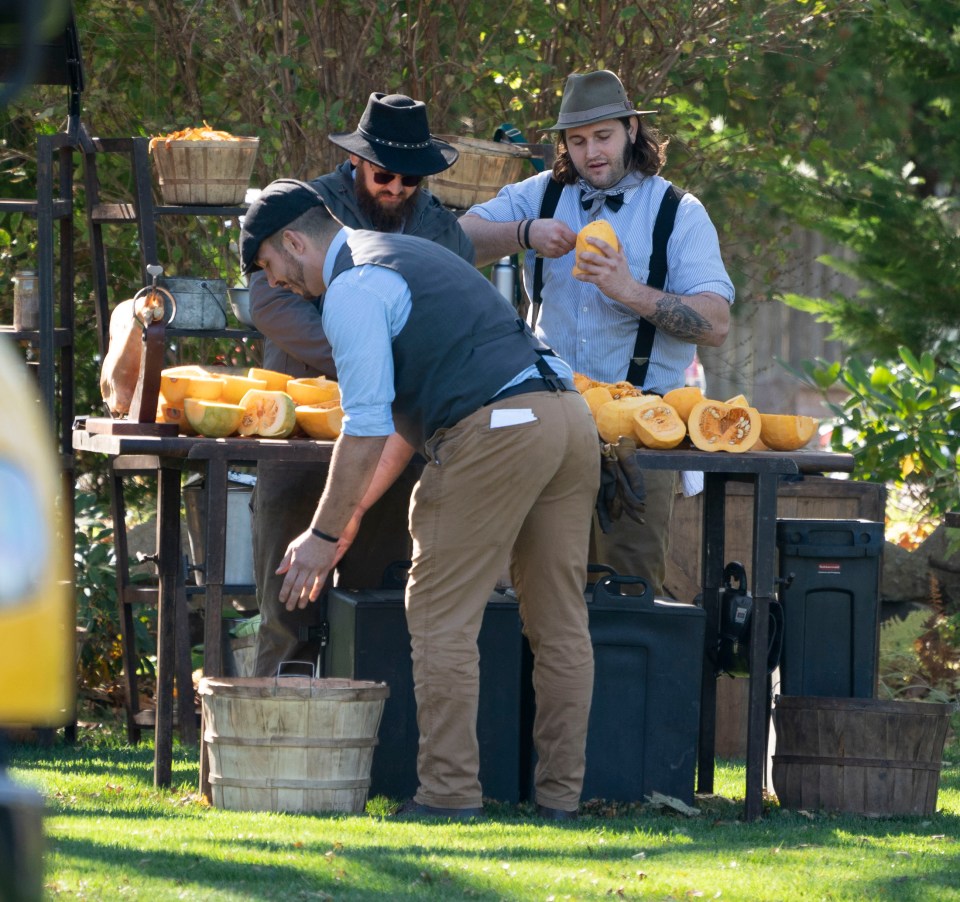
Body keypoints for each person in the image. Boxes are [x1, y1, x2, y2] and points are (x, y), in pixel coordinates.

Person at [239, 178, 600, 820]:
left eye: (271, 267)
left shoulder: (352, 290)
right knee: (559, 622)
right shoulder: (410, 254)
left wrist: (320, 538)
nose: (278, 284)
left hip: (498, 427)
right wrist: (345, 518)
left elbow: (366, 424)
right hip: (570, 420)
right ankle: (560, 801)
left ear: (294, 242)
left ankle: (449, 794)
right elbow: (407, 425)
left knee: (439, 614)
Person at [459, 69, 734, 596]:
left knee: (628, 600)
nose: (592, 153)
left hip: (641, 434)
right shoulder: (538, 196)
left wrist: (628, 289)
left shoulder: (678, 213)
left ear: (632, 128)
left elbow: (716, 324)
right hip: (546, 425)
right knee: (535, 595)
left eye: (603, 136)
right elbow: (456, 241)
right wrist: (523, 232)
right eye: (577, 141)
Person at [247, 93, 474, 678]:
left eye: (411, 179)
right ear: (357, 163)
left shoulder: (441, 228)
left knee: (378, 604)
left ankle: (372, 749)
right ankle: (279, 743)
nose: (397, 187)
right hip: (297, 429)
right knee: (286, 606)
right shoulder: (304, 207)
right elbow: (269, 304)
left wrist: (377, 367)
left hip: (396, 442)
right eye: (385, 174)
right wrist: (364, 355)